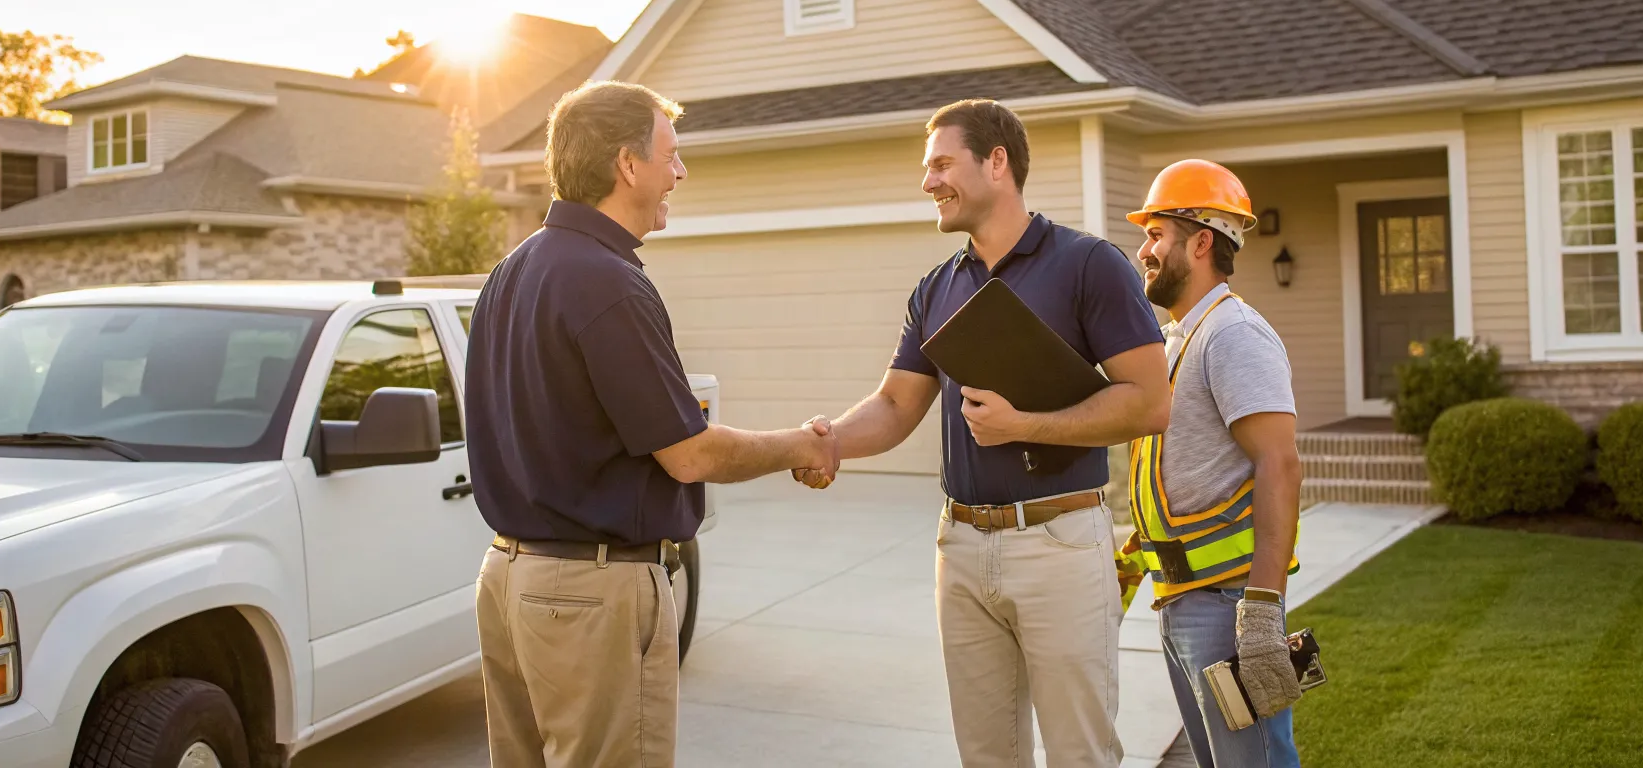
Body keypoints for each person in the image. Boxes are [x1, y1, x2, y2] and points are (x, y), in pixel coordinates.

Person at [464, 81, 841, 768]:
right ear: (626, 164)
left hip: (507, 580)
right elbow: (688, 454)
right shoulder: (605, 281)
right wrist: (800, 444)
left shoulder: (511, 273)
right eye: (671, 154)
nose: (680, 172)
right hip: (588, 598)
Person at [797, 98, 1171, 768]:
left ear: (997, 162)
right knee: (986, 757)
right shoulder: (936, 288)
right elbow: (895, 403)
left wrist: (1023, 426)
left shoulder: (1089, 266)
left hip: (1059, 543)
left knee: (1080, 754)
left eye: (941, 163)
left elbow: (1150, 403)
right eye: (926, 167)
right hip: (962, 546)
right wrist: (824, 443)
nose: (927, 181)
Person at [1122, 159, 1304, 768]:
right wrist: (1133, 557)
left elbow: (1279, 464)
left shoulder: (1233, 335)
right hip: (1184, 600)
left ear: (1201, 242)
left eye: (1156, 234)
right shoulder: (1179, 340)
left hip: (1228, 608)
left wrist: (1262, 611)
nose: (1143, 249)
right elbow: (1183, 473)